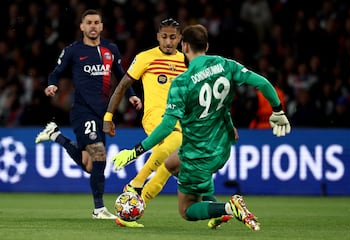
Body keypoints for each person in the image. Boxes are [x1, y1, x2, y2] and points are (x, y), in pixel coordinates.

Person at [111, 24, 291, 231]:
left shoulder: (182, 82)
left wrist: (135, 151)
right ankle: (216, 212)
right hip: (222, 146)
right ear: (206, 46)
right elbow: (263, 83)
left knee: (187, 210)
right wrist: (278, 111)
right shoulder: (226, 65)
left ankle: (228, 208)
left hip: (197, 151)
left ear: (184, 46)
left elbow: (167, 126)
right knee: (171, 163)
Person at [35, 9, 142, 223]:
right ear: (82, 27)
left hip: (103, 115)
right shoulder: (73, 51)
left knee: (90, 165)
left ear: (101, 26)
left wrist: (131, 95)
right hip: (83, 112)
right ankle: (99, 209)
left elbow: (122, 77)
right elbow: (57, 71)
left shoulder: (110, 50)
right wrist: (52, 84)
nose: (93, 26)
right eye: (89, 23)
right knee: (99, 155)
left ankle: (56, 136)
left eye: (96, 22)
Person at [103, 18, 185, 205]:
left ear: (180, 38)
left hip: (180, 119)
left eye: (173, 37)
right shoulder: (145, 57)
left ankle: (138, 201)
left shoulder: (185, 61)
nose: (168, 42)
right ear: (158, 37)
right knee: (175, 141)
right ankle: (136, 184)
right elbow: (122, 86)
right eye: (164, 37)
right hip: (155, 116)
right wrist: (108, 116)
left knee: (172, 164)